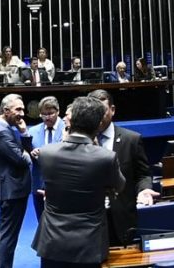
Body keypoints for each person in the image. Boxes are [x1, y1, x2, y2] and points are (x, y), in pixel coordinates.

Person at [32, 96, 125, 268]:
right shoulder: (106, 157)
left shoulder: (46, 153)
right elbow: (119, 185)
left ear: (71, 121)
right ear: (98, 125)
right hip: (89, 243)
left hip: (53, 240)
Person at [87, 89, 157, 245]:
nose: (97, 116)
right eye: (93, 111)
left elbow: (142, 174)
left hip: (120, 216)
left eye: (102, 111)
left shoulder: (131, 139)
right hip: (90, 219)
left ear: (112, 110)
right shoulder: (80, 141)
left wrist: (144, 189)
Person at [0, 93, 34, 268]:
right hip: (12, 190)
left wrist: (23, 133)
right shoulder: (1, 133)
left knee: (2, 233)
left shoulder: (5, 129)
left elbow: (22, 152)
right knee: (8, 236)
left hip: (10, 189)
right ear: (6, 110)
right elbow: (23, 160)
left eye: (23, 109)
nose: (22, 113)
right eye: (18, 109)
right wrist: (27, 153)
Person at [27, 96, 66, 220]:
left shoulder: (67, 128)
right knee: (42, 222)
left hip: (61, 184)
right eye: (43, 114)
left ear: (58, 111)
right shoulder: (32, 131)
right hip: (39, 183)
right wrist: (31, 153)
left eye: (50, 113)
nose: (47, 117)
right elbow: (26, 153)